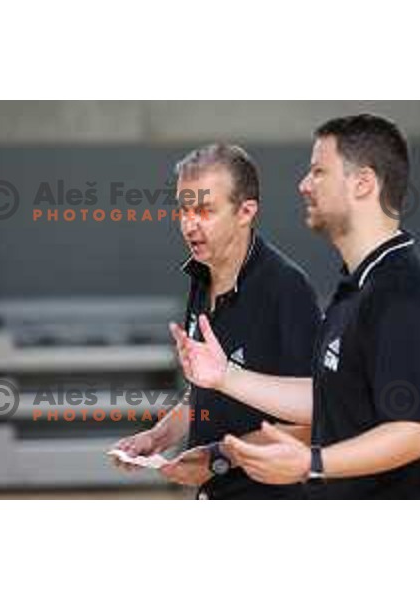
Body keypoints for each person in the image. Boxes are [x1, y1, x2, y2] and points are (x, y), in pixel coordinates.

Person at [171, 115, 420, 499]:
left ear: (363, 183)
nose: (304, 185)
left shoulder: (400, 293)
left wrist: (314, 463)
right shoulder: (355, 288)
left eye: (318, 172)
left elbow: (419, 433)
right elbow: (326, 398)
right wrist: (225, 377)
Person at [111, 143, 321, 499]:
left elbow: (315, 417)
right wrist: (156, 437)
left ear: (245, 211)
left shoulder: (286, 289)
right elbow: (203, 395)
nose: (189, 224)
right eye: (183, 210)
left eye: (205, 210)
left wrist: (217, 458)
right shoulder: (201, 277)